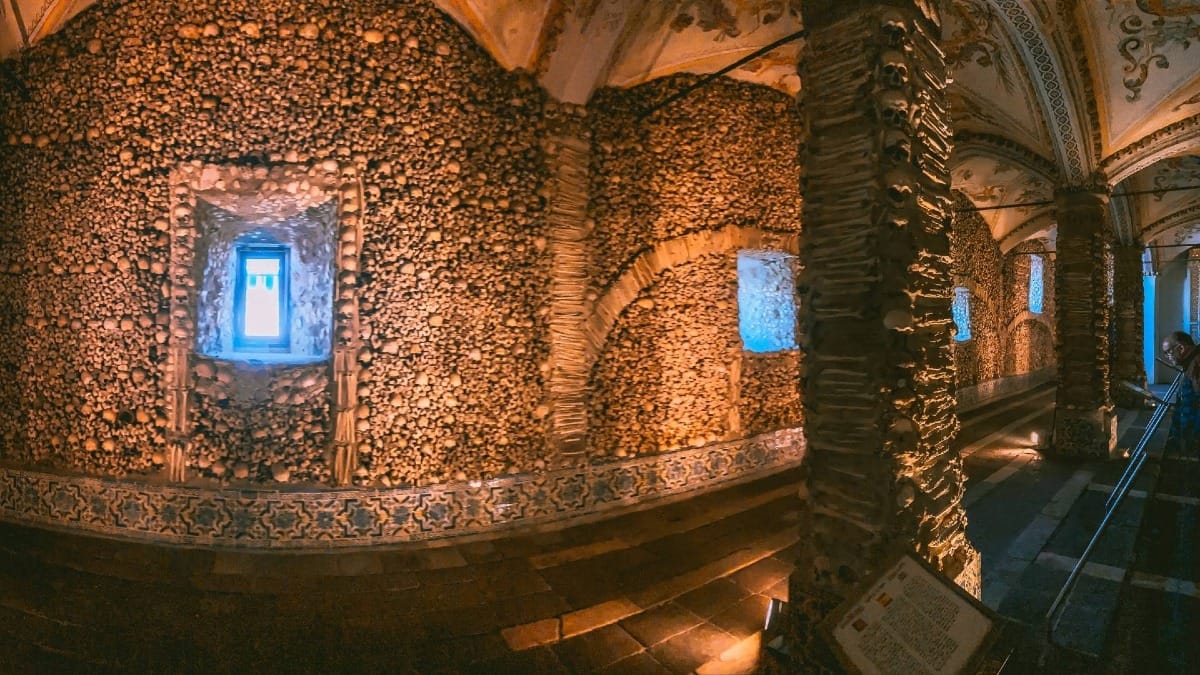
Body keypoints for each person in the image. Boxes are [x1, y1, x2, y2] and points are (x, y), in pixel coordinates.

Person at [1161, 331, 1200, 457]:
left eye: (1168, 352)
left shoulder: (1196, 365)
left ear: (1181, 348)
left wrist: (1193, 440)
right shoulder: (1191, 363)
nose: (1167, 357)